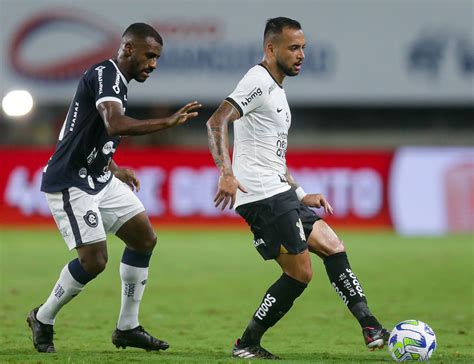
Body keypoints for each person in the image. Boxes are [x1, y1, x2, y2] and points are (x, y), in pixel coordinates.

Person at [206, 17, 389, 359]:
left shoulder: (276, 89)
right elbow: (216, 120)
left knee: (333, 245)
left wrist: (301, 192)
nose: (301, 54)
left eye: (303, 47)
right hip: (261, 196)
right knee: (301, 274)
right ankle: (246, 343)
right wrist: (225, 172)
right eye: (293, 48)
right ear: (271, 48)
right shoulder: (257, 81)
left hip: (278, 191)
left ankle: (370, 325)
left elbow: (272, 155)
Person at [27, 23, 201, 353]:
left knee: (144, 238)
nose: (154, 64)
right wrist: (167, 122)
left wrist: (114, 166)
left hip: (100, 177)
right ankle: (43, 317)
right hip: (71, 181)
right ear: (128, 49)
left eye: (158, 58)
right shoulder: (106, 73)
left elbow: (88, 132)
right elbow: (114, 123)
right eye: (149, 55)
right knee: (94, 261)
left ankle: (127, 328)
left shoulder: (116, 82)